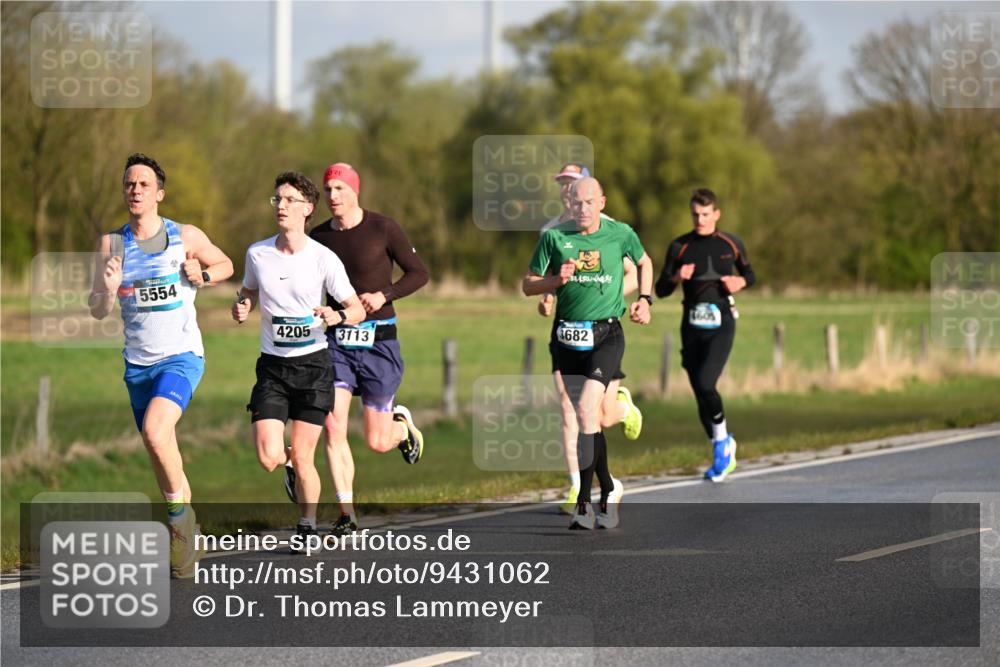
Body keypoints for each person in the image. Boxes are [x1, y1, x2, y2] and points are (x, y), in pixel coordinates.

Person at [89, 153, 234, 578]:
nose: (135, 190)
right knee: (162, 451)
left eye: (144, 185)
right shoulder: (111, 244)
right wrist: (108, 288)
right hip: (138, 364)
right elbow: (97, 310)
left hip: (182, 356)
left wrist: (202, 275)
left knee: (156, 431)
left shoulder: (184, 234)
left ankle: (176, 521)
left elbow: (224, 264)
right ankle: (189, 541)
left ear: (160, 194)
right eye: (129, 184)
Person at [232, 171, 365, 550]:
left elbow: (355, 308)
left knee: (305, 455)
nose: (281, 206)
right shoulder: (258, 253)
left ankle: (306, 525)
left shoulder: (324, 258)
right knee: (269, 457)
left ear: (307, 209)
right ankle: (287, 467)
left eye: (290, 200)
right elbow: (247, 291)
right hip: (273, 368)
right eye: (277, 199)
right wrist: (242, 305)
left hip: (313, 367)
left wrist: (337, 316)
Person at [303, 162, 429, 537]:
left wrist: (384, 294)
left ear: (355, 190)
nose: (333, 197)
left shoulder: (383, 227)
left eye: (340, 189)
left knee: (376, 441)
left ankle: (401, 429)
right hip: (337, 342)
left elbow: (418, 273)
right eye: (328, 190)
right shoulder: (320, 236)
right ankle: (347, 513)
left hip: (379, 339)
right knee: (333, 424)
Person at [523, 177, 653, 529]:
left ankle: (584, 502)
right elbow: (528, 284)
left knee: (584, 409)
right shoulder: (554, 237)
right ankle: (608, 489)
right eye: (577, 202)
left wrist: (645, 299)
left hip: (606, 335)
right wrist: (555, 282)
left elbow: (645, 263)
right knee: (588, 421)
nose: (582, 209)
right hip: (566, 337)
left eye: (589, 202)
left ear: (601, 203)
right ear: (570, 203)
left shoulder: (619, 233)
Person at [654, 188, 756, 482]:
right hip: (691, 323)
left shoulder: (731, 243)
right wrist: (676, 278)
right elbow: (660, 290)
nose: (700, 219)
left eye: (705, 214)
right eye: (695, 215)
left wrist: (740, 282)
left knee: (706, 382)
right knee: (700, 391)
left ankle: (724, 442)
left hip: (722, 321)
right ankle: (720, 450)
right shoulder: (680, 247)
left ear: (716, 214)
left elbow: (751, 275)